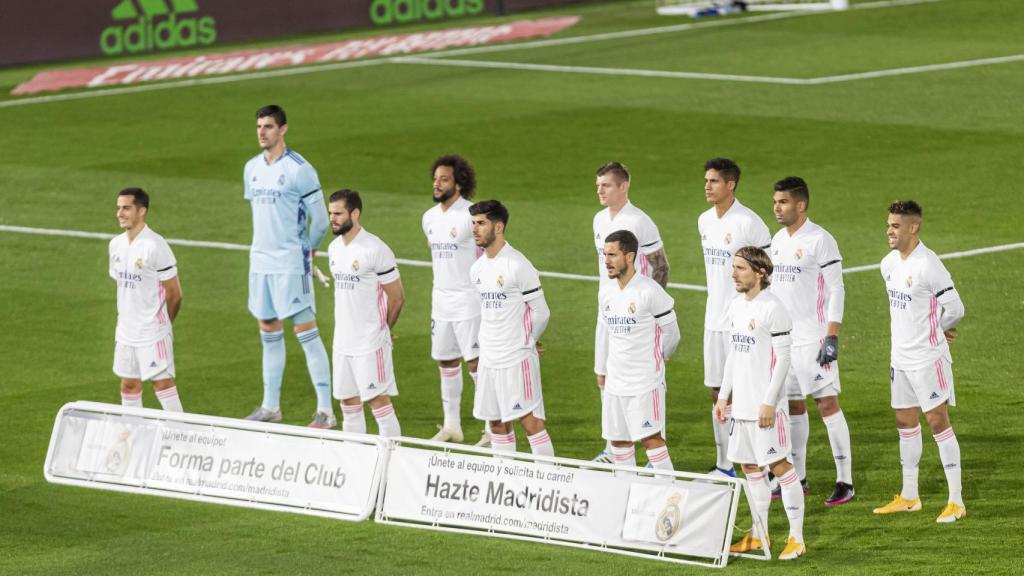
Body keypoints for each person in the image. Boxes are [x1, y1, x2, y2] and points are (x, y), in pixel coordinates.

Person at [242, 105, 334, 428]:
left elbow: (321, 220)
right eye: (258, 126)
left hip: (291, 263)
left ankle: (326, 410)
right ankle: (271, 406)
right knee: (268, 330)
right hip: (260, 263)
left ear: (283, 129)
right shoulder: (251, 168)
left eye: (268, 126)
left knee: (306, 333)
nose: (262, 132)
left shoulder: (300, 169)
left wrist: (309, 251)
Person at [873, 200, 966, 523]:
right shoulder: (887, 264)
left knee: (937, 422)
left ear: (914, 227)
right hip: (900, 359)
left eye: (896, 226)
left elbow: (955, 308)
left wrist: (937, 332)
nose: (889, 230)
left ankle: (956, 501)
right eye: (888, 225)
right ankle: (910, 495)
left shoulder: (929, 264)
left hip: (928, 359)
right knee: (905, 422)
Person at [715, 246, 805, 560]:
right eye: (733, 267)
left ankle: (796, 538)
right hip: (741, 410)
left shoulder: (773, 308)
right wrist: (724, 396)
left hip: (767, 409)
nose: (733, 273)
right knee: (750, 468)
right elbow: (732, 357)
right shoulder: (735, 306)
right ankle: (759, 534)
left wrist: (769, 402)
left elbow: (783, 360)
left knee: (780, 467)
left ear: (760, 272)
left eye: (740, 268)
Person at [769, 177, 854, 506]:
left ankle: (845, 481)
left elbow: (837, 289)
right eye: (775, 201)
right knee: (792, 406)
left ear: (800, 205)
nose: (777, 207)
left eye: (783, 202)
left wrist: (832, 334)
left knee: (827, 406)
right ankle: (798, 476)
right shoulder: (777, 240)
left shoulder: (820, 240)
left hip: (814, 338)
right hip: (785, 341)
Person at [591, 162, 670, 464]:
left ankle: (654, 449)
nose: (600, 190)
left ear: (624, 186)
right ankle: (615, 448)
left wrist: (652, 311)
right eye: (598, 185)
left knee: (650, 382)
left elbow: (661, 265)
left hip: (637, 317)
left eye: (606, 185)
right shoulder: (599, 220)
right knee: (604, 378)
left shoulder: (640, 221)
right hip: (607, 312)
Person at [699, 158, 771, 477]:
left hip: (743, 321)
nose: (707, 186)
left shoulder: (749, 223)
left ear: (731, 185)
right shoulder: (704, 221)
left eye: (714, 181)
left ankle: (764, 459)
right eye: (706, 181)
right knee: (718, 390)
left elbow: (770, 272)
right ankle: (725, 463)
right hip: (713, 319)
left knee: (748, 390)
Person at [469, 200, 554, 456]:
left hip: (516, 358)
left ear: (498, 227)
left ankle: (547, 481)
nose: (474, 229)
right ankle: (506, 480)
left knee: (530, 421)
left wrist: (528, 342)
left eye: (481, 223)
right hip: (489, 358)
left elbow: (541, 312)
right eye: (473, 223)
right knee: (496, 423)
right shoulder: (477, 269)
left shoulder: (517, 265)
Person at [327, 190, 405, 437]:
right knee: (348, 403)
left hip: (370, 342)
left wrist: (384, 330)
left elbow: (397, 297)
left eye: (338, 213)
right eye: (330, 213)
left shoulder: (375, 249)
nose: (333, 219)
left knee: (378, 402)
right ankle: (355, 463)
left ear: (355, 213)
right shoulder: (333, 249)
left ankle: (391, 464)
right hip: (342, 343)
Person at [599, 230, 680, 470]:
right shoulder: (606, 292)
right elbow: (607, 334)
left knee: (651, 440)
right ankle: (626, 497)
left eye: (613, 255)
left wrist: (659, 358)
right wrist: (603, 370)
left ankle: (668, 500)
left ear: (630, 256)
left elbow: (672, 334)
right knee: (619, 443)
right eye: (605, 255)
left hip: (644, 383)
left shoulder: (649, 291)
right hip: (615, 383)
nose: (607, 261)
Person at [422, 155, 488, 446]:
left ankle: (490, 427)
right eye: (435, 178)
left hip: (468, 301)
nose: (437, 184)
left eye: (444, 179)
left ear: (459, 183)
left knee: (475, 364)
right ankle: (452, 426)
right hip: (441, 301)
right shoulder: (429, 217)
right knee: (446, 361)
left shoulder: (470, 216)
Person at [109, 187, 184, 411]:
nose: (120, 213)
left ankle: (181, 436)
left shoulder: (155, 246)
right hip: (125, 332)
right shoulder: (115, 245)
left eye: (126, 208)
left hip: (153, 332)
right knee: (129, 385)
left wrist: (162, 323)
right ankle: (131, 441)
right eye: (118, 208)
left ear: (142, 211)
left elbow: (175, 293)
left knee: (162, 385)